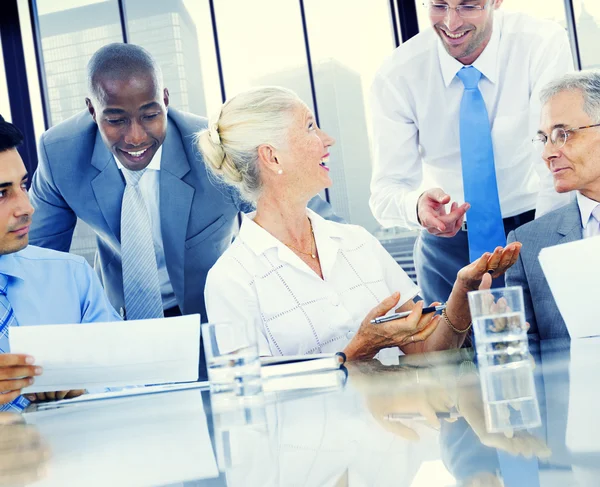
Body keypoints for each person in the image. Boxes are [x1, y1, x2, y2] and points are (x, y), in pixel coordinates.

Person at [28, 44, 337, 330]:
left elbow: (301, 213)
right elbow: (34, 261)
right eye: (116, 120)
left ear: (165, 100)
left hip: (217, 316)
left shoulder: (213, 150)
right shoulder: (61, 154)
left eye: (150, 116)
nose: (135, 137)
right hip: (121, 321)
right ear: (92, 111)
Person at [200, 86, 521, 359]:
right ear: (272, 157)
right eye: (310, 127)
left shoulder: (358, 242)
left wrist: (462, 294)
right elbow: (253, 401)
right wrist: (357, 351)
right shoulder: (231, 280)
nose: (327, 140)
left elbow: (426, 350)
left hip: (404, 432)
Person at [369, 0, 573, 305]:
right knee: (452, 352)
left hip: (535, 223)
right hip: (447, 248)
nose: (451, 23)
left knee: (553, 345)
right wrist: (417, 207)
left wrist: (538, 246)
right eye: (439, 5)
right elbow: (385, 192)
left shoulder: (540, 43)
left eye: (467, 6)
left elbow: (556, 158)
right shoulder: (398, 75)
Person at [0, 116, 120, 411]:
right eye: (1, 193)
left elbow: (129, 378)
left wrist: (86, 388)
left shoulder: (72, 278)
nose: (27, 208)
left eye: (23, 185)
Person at [506, 71, 600, 339]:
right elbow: (529, 361)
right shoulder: (529, 245)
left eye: (562, 134)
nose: (548, 154)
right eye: (544, 138)